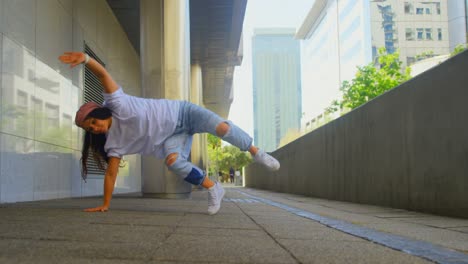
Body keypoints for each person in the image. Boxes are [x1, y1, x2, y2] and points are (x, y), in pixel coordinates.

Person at [59, 52, 280, 215]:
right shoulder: (113, 144)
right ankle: (214, 188)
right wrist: (105, 204)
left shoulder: (116, 102)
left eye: (94, 122)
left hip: (184, 113)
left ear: (100, 111)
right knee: (173, 161)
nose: (95, 128)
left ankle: (256, 151)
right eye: (90, 129)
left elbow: (103, 75)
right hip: (172, 138)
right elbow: (111, 174)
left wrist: (86, 60)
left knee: (222, 128)